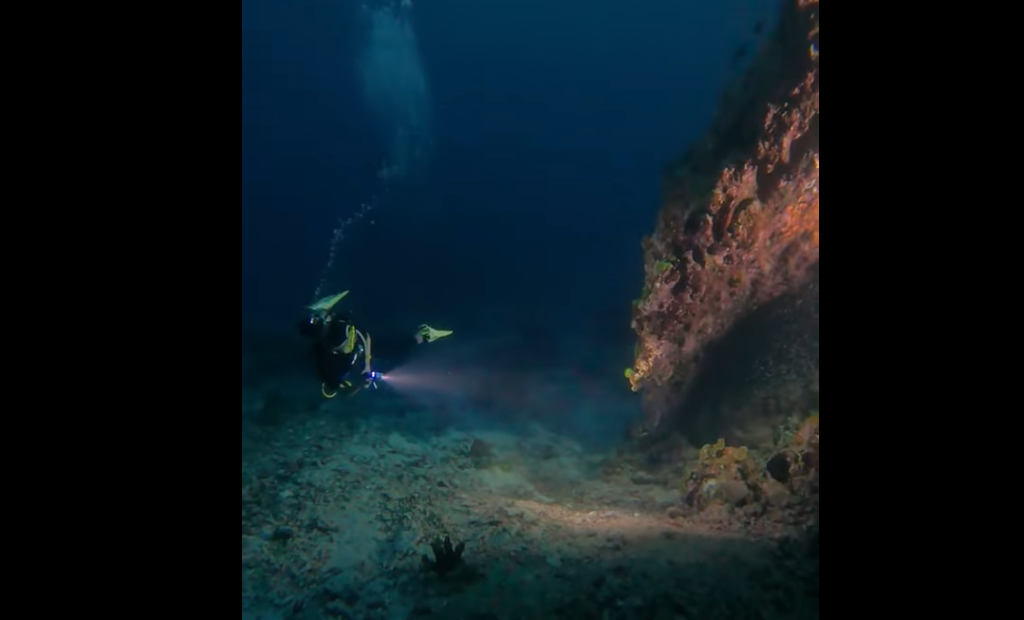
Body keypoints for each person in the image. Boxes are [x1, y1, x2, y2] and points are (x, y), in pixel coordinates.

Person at [298, 291, 453, 398]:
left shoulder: (339, 346)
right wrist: (362, 377)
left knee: (396, 347)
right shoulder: (329, 364)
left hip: (360, 349)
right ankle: (424, 335)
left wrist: (366, 368)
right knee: (394, 347)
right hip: (349, 354)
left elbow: (362, 338)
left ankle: (425, 335)